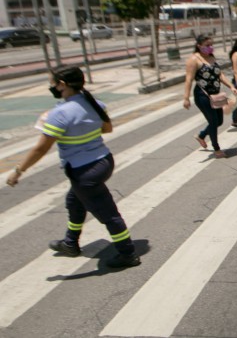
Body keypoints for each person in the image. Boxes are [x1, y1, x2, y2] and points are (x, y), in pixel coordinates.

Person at [5, 66, 140, 268]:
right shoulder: (94, 103)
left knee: (108, 214)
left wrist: (18, 171)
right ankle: (71, 243)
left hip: (84, 171)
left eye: (52, 82)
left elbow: (40, 149)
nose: (51, 86)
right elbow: (107, 128)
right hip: (103, 161)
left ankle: (127, 253)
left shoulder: (59, 114)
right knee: (74, 202)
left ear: (63, 84)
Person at [184, 35, 237, 158]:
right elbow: (188, 79)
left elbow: (220, 75)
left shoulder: (211, 57)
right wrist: (186, 98)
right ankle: (216, 149)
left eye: (211, 45)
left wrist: (231, 86)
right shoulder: (194, 60)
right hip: (203, 95)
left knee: (219, 121)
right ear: (199, 46)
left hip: (216, 95)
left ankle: (202, 135)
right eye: (207, 45)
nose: (210, 47)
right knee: (213, 122)